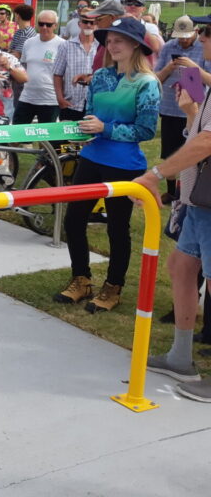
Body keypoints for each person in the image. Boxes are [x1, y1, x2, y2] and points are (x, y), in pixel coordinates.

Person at [53, 16, 160, 313]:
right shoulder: (99, 76)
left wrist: (105, 129)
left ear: (136, 45)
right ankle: (81, 279)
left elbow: (146, 130)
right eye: (109, 41)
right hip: (91, 157)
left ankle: (113, 287)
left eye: (118, 40)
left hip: (125, 165)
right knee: (73, 219)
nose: (111, 46)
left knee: (117, 227)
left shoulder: (148, 83)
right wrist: (85, 129)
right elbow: (90, 115)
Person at [135, 16, 211, 401]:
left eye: (207, 34)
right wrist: (189, 112)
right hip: (199, 201)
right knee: (181, 267)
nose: (202, 40)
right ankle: (181, 356)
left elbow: (205, 145)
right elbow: (199, 134)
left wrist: (155, 173)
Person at [153, 15, 211, 201]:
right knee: (171, 151)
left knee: (193, 152)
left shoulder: (204, 49)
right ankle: (172, 192)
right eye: (180, 36)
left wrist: (193, 69)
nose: (184, 40)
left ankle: (188, 191)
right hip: (172, 107)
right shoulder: (168, 47)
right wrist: (170, 68)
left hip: (197, 108)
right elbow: (156, 79)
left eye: (187, 35)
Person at [12, 10, 65, 125]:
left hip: (50, 99)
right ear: (36, 24)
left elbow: (65, 74)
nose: (44, 27)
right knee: (17, 134)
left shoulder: (63, 45)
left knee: (46, 139)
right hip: (27, 96)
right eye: (41, 24)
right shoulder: (28, 43)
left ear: (55, 26)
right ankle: (25, 144)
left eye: (49, 25)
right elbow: (24, 65)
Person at [52, 11, 98, 122]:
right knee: (67, 138)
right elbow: (57, 74)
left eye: (92, 23)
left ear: (96, 25)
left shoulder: (102, 46)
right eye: (85, 22)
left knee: (90, 138)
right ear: (79, 24)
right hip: (71, 103)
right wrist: (60, 98)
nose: (88, 25)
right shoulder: (66, 46)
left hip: (95, 104)